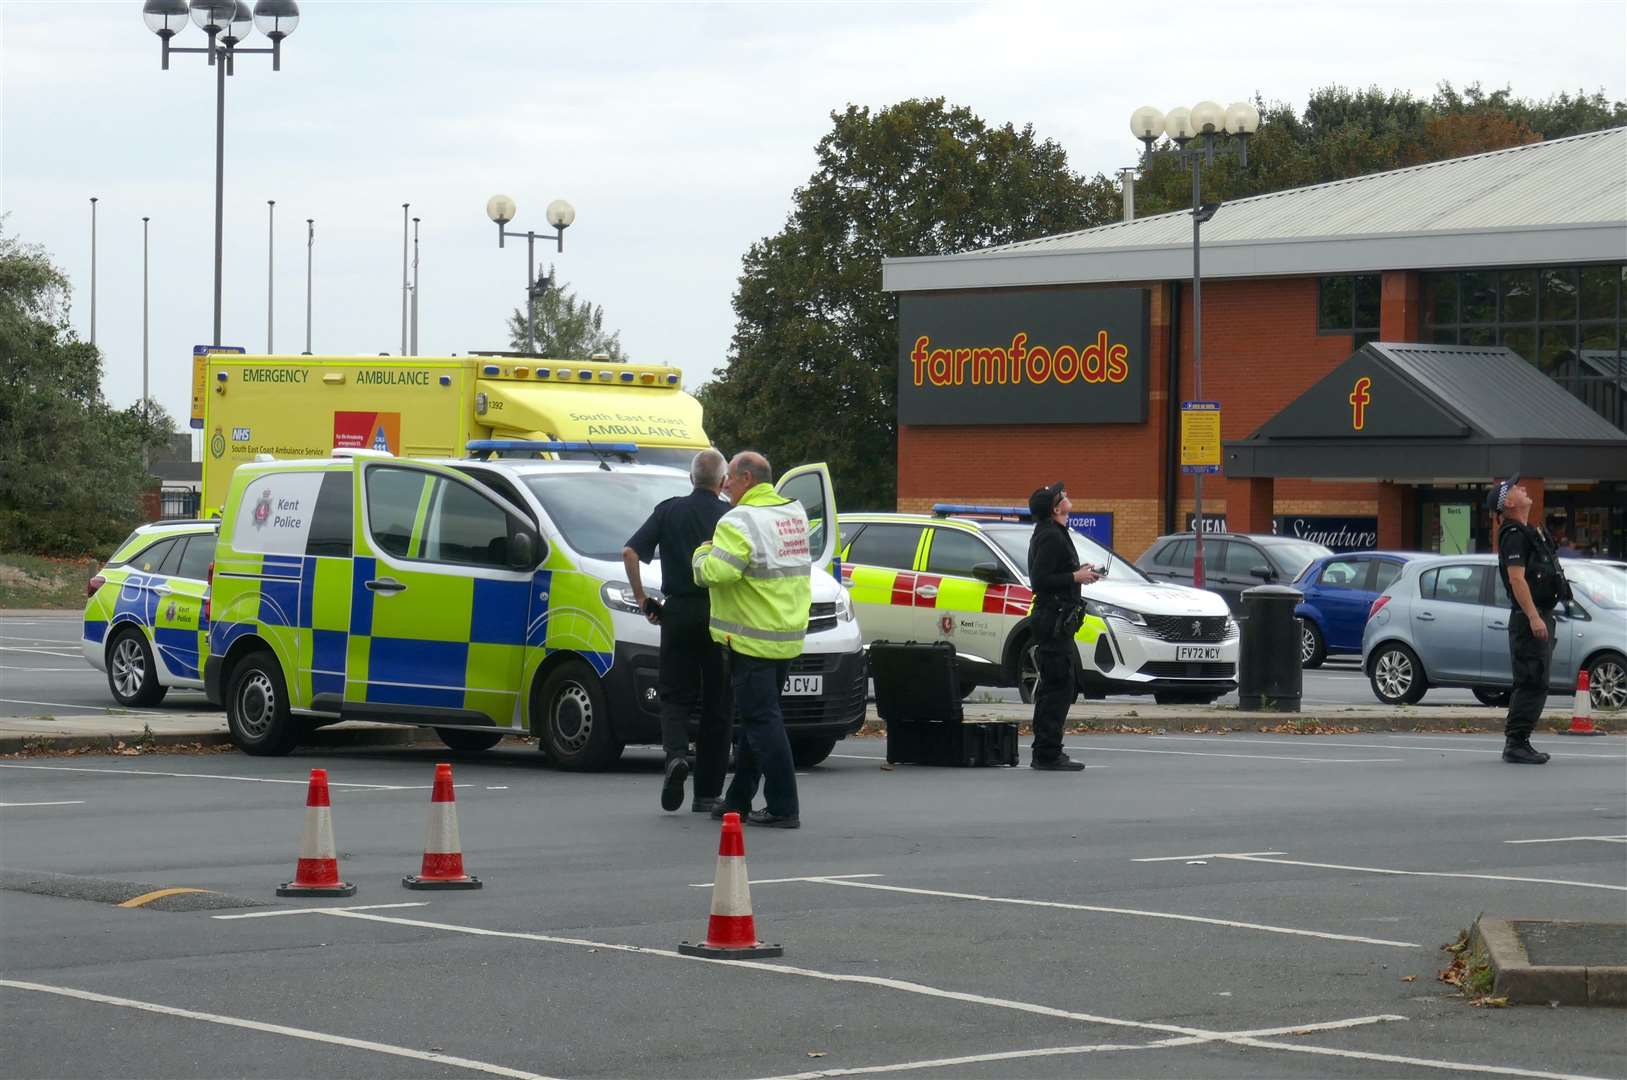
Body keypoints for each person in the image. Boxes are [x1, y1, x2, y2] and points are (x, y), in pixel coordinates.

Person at [692, 451, 810, 828]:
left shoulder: (738, 520)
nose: (724, 485)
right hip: (786, 633)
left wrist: (701, 554)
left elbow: (718, 573)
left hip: (751, 638)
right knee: (757, 723)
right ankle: (737, 800)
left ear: (745, 478)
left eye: (729, 477)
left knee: (762, 722)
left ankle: (783, 806)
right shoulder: (794, 512)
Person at [622, 449, 732, 813]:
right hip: (720, 615)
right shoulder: (732, 516)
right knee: (718, 702)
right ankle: (707, 794)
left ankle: (675, 757)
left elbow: (630, 553)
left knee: (674, 695)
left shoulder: (668, 510)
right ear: (723, 482)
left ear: (690, 479)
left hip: (678, 611)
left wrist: (642, 598)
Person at [1490, 476, 1569, 765]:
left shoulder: (1528, 531)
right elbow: (1516, 578)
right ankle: (1516, 743)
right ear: (1508, 503)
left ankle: (1520, 740)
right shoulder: (1513, 535)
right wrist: (1534, 616)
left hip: (1539, 614)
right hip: (1528, 617)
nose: (1522, 488)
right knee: (1531, 680)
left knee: (1538, 679)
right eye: (1515, 488)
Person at [1025, 481, 1101, 772]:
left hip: (1057, 620)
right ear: (1055, 509)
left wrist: (1081, 574)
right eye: (1062, 497)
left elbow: (1057, 573)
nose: (1068, 497)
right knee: (1057, 686)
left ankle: (1048, 750)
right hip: (1051, 619)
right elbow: (1040, 580)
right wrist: (1074, 578)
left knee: (1060, 684)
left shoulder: (1055, 533)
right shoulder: (1050, 536)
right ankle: (1046, 753)